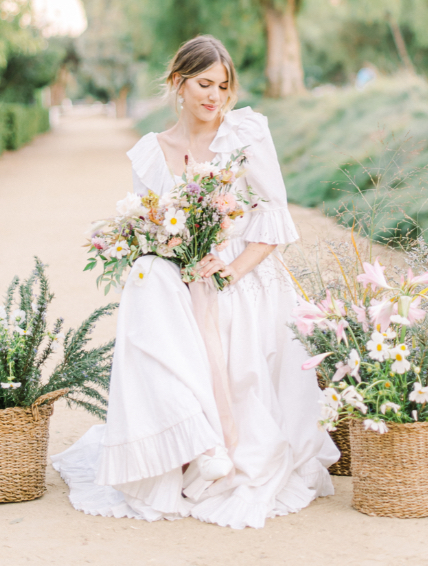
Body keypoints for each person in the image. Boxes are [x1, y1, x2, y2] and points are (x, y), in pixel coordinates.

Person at [52, 35, 339, 529]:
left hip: (242, 268)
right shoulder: (151, 152)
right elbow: (153, 228)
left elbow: (273, 219)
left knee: (202, 304)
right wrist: (175, 260)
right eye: (204, 84)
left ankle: (221, 441)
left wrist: (230, 270)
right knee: (146, 283)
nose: (215, 96)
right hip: (181, 269)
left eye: (223, 86)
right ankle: (190, 441)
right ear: (178, 83)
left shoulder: (245, 134)